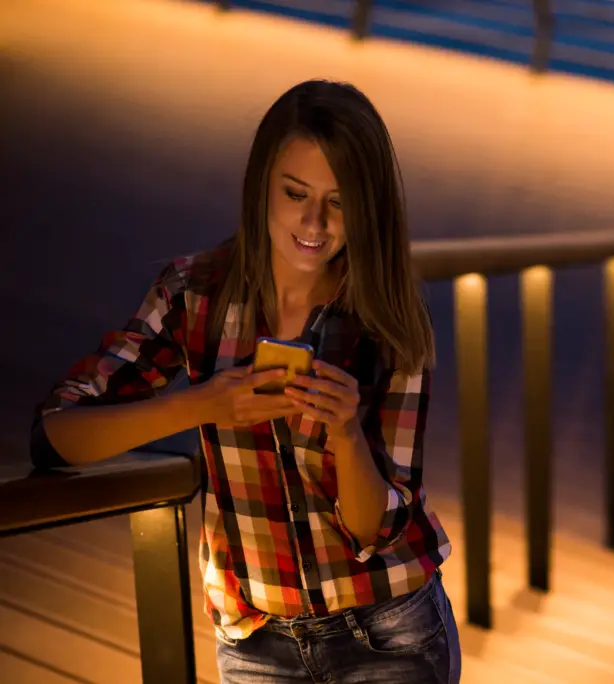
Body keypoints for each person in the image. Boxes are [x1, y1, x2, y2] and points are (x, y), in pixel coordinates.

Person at [30, 80, 460, 684]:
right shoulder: (193, 293)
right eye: (295, 193)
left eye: (339, 202)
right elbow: (55, 436)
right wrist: (199, 405)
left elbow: (377, 529)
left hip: (389, 633)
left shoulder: (389, 315)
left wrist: (346, 434)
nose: (314, 222)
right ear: (261, 184)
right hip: (258, 647)